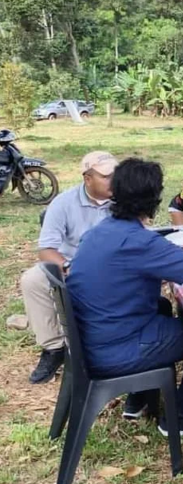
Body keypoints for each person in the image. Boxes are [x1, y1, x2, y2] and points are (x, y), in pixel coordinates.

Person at [67, 158, 183, 435]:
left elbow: (131, 268)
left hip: (92, 338)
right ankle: (180, 418)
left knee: (163, 305)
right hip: (115, 350)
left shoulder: (100, 232)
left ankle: (139, 397)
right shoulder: (141, 241)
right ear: (153, 201)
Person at [20, 151, 118, 384]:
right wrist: (69, 267)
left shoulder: (125, 201)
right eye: (106, 176)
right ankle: (54, 348)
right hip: (71, 266)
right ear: (87, 178)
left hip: (112, 268)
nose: (114, 181)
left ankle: (110, 347)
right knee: (32, 280)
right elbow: (46, 250)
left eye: (117, 174)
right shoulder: (63, 203)